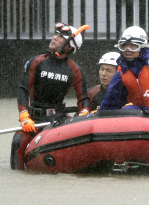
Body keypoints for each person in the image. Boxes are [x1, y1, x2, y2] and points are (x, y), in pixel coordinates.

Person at [10, 22, 91, 170]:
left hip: (58, 120)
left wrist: (84, 113)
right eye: (55, 34)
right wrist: (24, 116)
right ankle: (17, 176)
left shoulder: (74, 69)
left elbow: (83, 99)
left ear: (69, 46)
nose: (54, 38)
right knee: (18, 141)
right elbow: (23, 90)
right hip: (33, 120)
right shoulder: (37, 61)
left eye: (60, 37)